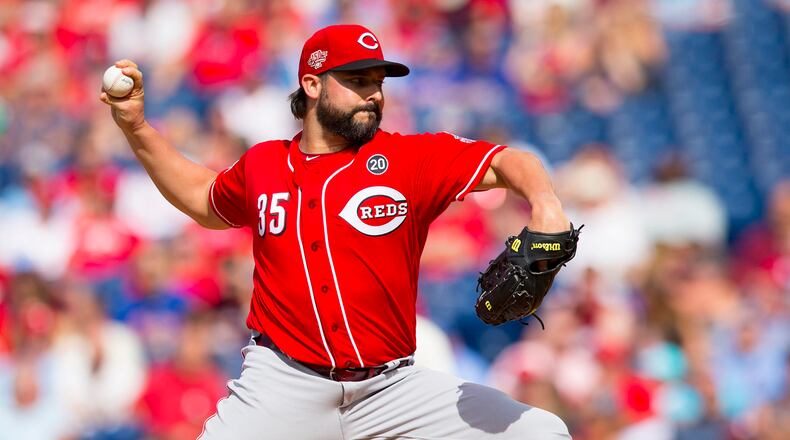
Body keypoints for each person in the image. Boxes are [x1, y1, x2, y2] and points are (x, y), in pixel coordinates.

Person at [101, 24, 573, 440]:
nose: (375, 94)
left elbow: (509, 161)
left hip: (390, 388)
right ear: (311, 84)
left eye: (378, 83)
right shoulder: (265, 163)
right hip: (283, 383)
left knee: (540, 431)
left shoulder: (410, 159)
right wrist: (137, 126)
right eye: (357, 80)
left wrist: (545, 203)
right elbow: (206, 200)